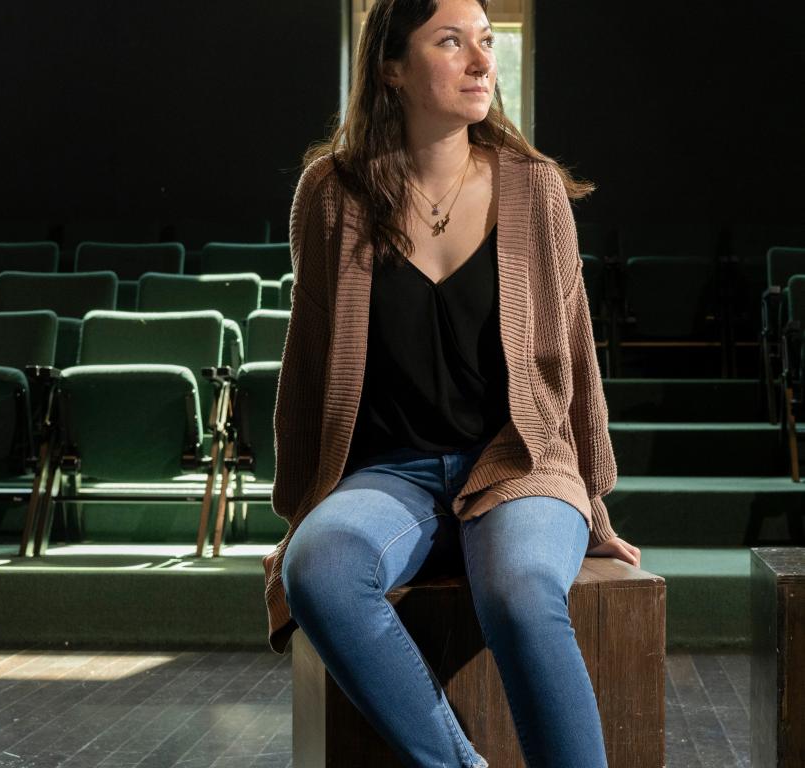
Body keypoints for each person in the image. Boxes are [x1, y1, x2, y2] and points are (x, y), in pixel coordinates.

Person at [261, 0, 641, 765]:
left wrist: (593, 501)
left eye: (486, 41)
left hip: (518, 464)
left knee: (520, 590)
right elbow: (306, 368)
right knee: (319, 571)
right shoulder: (331, 194)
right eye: (450, 41)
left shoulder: (534, 188)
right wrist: (302, 509)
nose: (480, 61)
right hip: (390, 474)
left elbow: (575, 354)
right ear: (391, 69)